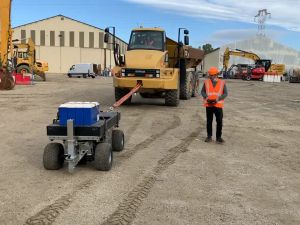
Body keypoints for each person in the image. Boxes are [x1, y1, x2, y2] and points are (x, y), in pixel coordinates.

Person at [201, 67, 228, 143]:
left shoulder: (222, 82)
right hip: (209, 104)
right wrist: (206, 97)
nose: (211, 77)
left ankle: (218, 137)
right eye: (210, 75)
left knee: (219, 121)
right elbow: (202, 92)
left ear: (216, 75)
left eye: (212, 75)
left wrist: (218, 99)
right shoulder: (206, 82)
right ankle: (209, 136)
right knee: (209, 121)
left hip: (218, 105)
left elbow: (225, 93)